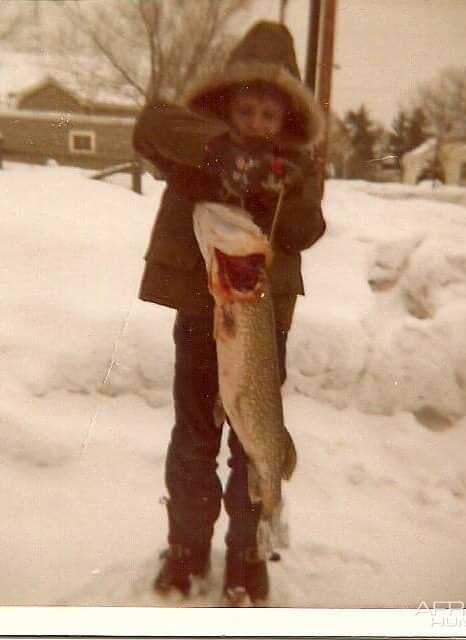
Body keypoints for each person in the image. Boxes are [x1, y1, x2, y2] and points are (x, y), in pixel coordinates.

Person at [132, 21, 325, 605]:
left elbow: (308, 228)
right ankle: (188, 550)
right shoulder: (200, 142)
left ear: (285, 117)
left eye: (270, 114)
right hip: (202, 312)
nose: (259, 123)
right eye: (247, 110)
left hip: (260, 318)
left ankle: (249, 554)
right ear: (227, 106)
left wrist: (276, 191)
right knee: (194, 436)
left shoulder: (299, 163)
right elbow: (150, 126)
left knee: (255, 444)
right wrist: (224, 156)